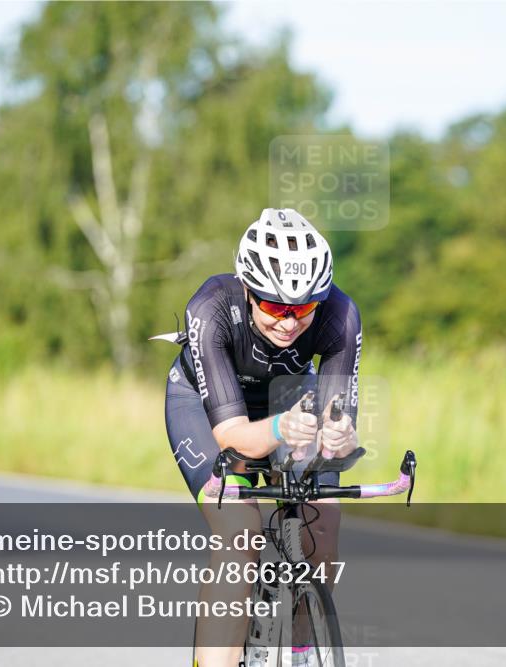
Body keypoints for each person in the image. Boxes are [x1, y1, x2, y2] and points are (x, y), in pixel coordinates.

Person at [162, 208, 362, 667]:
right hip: (206, 404)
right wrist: (279, 429)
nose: (289, 323)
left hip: (287, 397)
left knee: (323, 525)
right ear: (249, 291)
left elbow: (339, 428)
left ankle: (302, 646)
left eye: (303, 308)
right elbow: (233, 437)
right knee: (239, 532)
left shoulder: (341, 316)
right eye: (274, 306)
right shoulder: (211, 307)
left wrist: (339, 435)